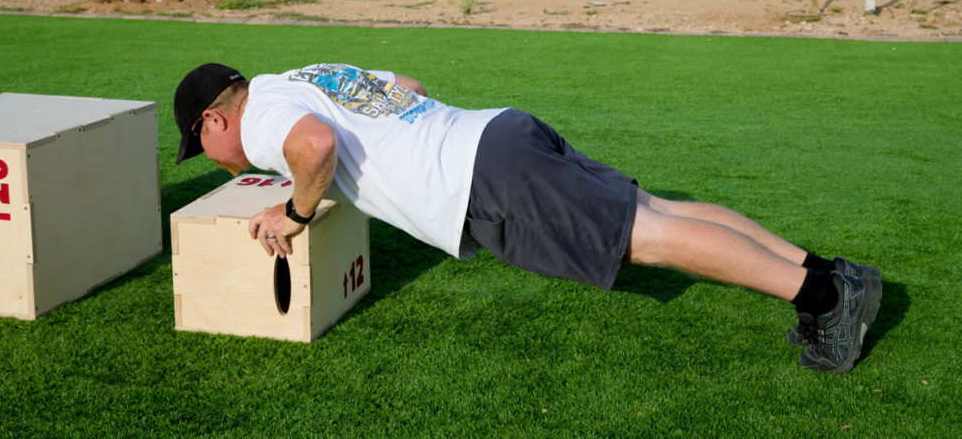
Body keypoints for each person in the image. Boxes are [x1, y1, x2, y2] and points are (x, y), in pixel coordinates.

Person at [174, 62, 881, 374]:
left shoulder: (263, 119)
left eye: (201, 147)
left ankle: (827, 300)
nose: (216, 161)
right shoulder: (297, 77)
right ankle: (829, 275)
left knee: (646, 237)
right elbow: (407, 88)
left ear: (214, 119)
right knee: (653, 209)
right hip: (497, 133)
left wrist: (296, 211)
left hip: (483, 177)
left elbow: (317, 147)